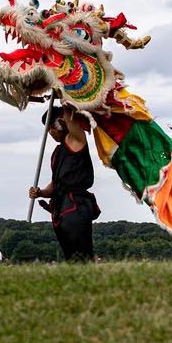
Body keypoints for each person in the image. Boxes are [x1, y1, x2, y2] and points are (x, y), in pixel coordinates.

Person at [29, 107, 100, 262]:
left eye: (51, 129)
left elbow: (70, 116)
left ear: (60, 123)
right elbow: (56, 184)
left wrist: (61, 89)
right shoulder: (57, 152)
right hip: (61, 206)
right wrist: (40, 193)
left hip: (77, 204)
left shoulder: (75, 140)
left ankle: (89, 279)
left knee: (81, 253)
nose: (51, 133)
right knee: (70, 255)